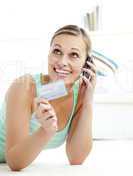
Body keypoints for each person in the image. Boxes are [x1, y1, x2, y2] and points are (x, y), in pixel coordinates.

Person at [0, 25, 96, 171]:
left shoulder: (80, 95)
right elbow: (14, 161)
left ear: (86, 64)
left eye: (74, 55)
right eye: (57, 51)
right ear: (48, 54)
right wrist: (46, 131)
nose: (63, 62)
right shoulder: (24, 86)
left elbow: (76, 158)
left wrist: (88, 100)